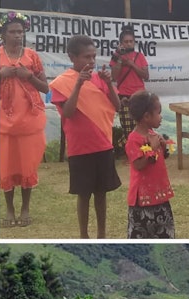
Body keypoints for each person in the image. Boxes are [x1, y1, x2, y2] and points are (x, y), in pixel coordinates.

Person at [49, 35, 121, 239]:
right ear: (72, 57)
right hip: (80, 147)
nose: (91, 61)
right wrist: (78, 85)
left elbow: (117, 106)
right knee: (84, 194)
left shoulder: (99, 78)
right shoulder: (62, 83)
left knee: (101, 192)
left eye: (94, 56)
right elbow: (69, 113)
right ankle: (83, 235)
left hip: (103, 142)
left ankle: (101, 233)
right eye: (86, 57)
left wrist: (109, 83)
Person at [0, 13, 48, 229]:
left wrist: (28, 76)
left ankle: (25, 208)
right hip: (4, 123)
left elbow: (46, 88)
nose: (18, 35)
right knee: (6, 168)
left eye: (21, 32)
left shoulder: (32, 57)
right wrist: (2, 74)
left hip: (30, 121)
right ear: (3, 34)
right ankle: (9, 209)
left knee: (28, 166)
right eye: (13, 32)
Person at [124, 90, 174, 239]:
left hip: (160, 198)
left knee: (165, 234)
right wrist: (151, 149)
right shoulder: (133, 140)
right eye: (158, 112)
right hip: (142, 203)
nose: (161, 117)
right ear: (146, 116)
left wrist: (163, 147)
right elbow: (138, 165)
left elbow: (159, 159)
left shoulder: (153, 135)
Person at [111, 25, 149, 147]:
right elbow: (114, 77)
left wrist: (132, 64)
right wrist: (120, 60)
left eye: (131, 41)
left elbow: (146, 75)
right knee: (128, 129)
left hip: (140, 96)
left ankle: (145, 151)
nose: (128, 44)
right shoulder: (116, 57)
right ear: (121, 43)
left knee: (143, 126)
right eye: (126, 42)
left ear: (134, 42)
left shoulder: (140, 56)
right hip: (124, 96)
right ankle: (131, 153)